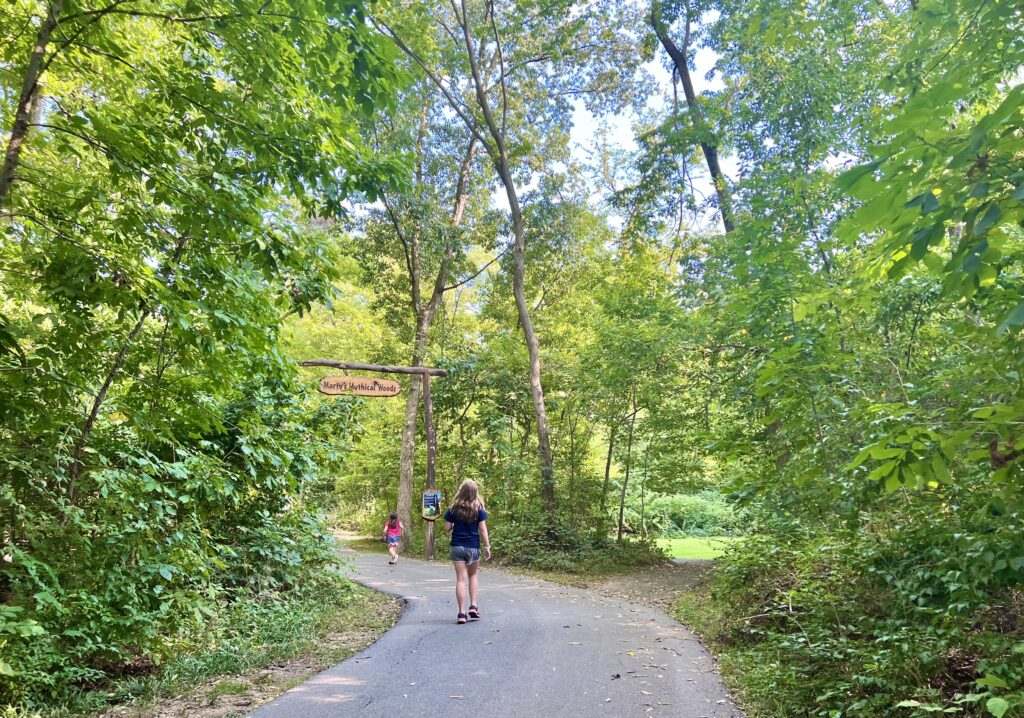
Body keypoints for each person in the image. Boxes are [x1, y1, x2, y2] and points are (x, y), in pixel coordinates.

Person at [443, 480, 490, 624]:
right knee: (473, 575)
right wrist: (487, 546)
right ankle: (473, 606)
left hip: (457, 546)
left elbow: (446, 528)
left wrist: (453, 524)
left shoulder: (453, 509)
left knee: (460, 579)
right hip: (473, 547)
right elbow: (482, 529)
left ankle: (461, 613)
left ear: (461, 491)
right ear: (475, 493)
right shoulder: (479, 509)